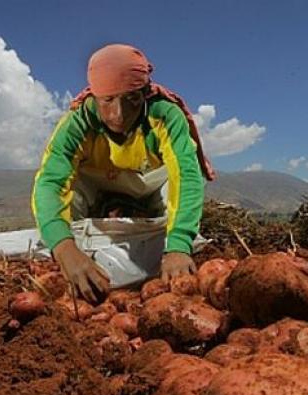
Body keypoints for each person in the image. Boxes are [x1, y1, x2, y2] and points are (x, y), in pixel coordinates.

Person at [32, 43, 215, 302]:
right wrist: (64, 248)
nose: (119, 114)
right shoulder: (77, 123)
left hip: (148, 185)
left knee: (176, 190)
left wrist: (178, 246)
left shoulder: (165, 114)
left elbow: (186, 175)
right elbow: (50, 182)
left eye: (132, 99)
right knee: (68, 197)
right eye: (108, 100)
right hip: (98, 186)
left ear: (144, 93)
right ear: (95, 97)